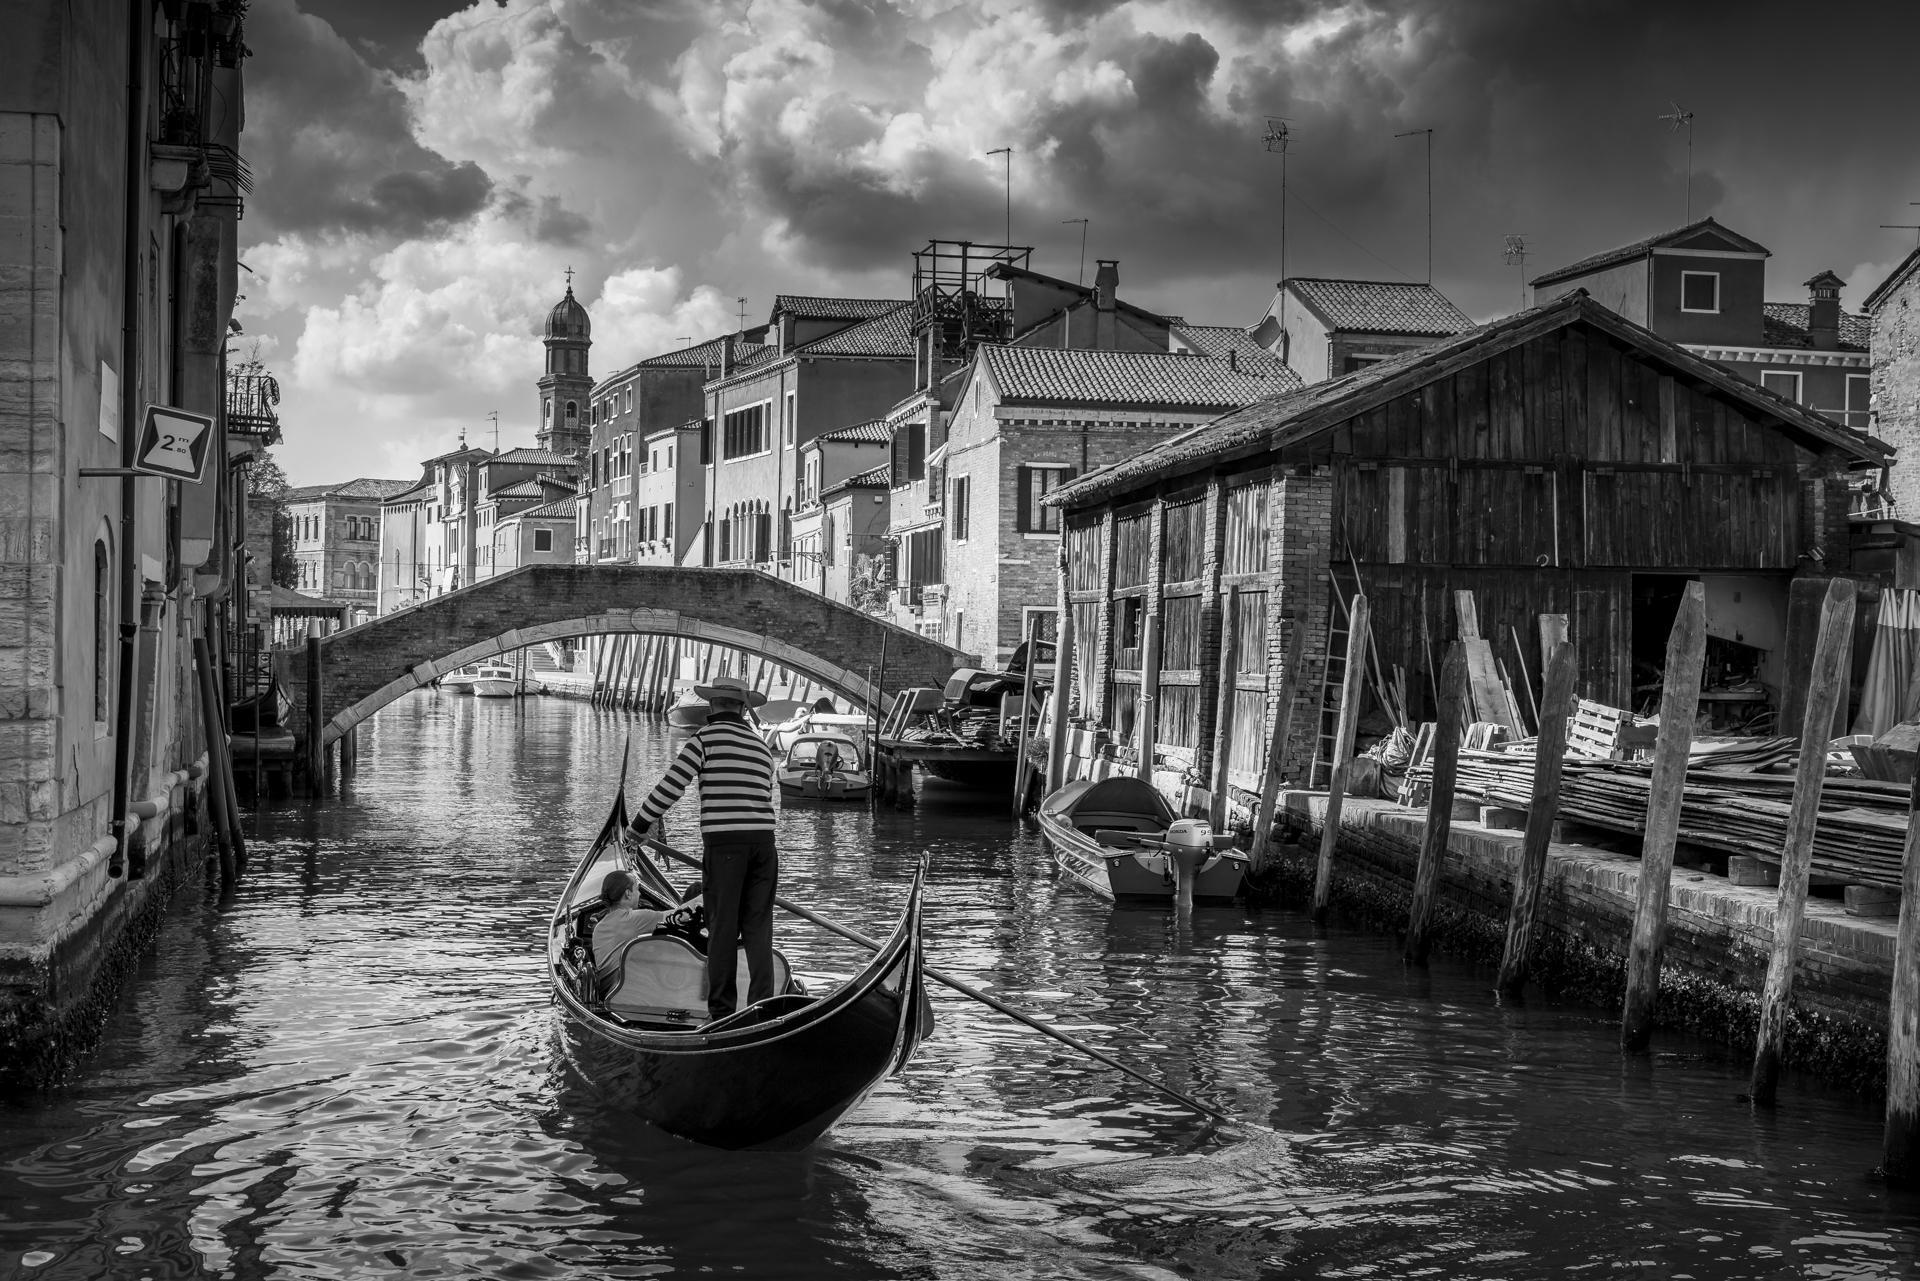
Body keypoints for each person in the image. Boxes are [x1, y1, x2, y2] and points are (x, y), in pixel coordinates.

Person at [623, 674, 777, 1020]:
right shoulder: (761, 747)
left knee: (722, 928)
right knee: (758, 927)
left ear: (712, 705)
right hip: (765, 847)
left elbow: (671, 786)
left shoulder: (704, 739)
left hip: (725, 848)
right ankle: (764, 1010)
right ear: (742, 707)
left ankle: (722, 1013)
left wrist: (639, 826)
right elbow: (763, 797)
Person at [591, 868, 683, 979]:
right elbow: (679, 915)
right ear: (628, 893)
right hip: (627, 992)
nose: (639, 894)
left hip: (608, 992)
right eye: (637, 889)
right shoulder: (635, 919)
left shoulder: (598, 928)